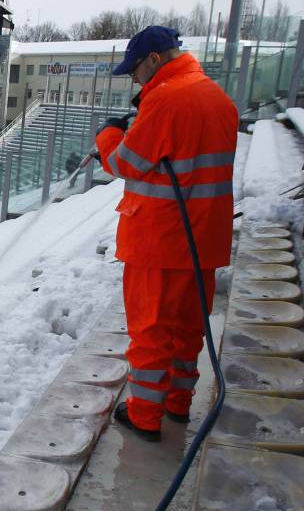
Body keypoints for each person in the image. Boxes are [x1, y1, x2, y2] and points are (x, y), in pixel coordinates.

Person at [94, 26, 237, 442]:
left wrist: (109, 135)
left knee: (151, 331)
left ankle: (144, 414)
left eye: (135, 70)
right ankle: (177, 404)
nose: (135, 80)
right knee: (188, 329)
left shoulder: (167, 99)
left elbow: (125, 163)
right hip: (203, 240)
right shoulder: (217, 98)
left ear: (154, 59)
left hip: (160, 239)